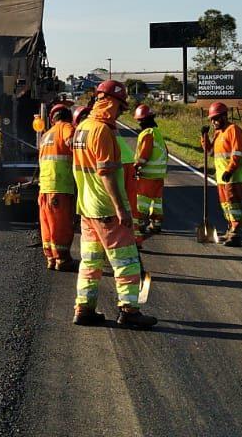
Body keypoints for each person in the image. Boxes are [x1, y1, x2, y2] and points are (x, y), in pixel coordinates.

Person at [70, 80, 158, 329]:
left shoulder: (83, 128)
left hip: (87, 208)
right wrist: (121, 209)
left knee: (90, 261)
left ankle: (84, 309)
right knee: (126, 261)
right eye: (120, 107)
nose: (121, 112)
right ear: (110, 102)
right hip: (107, 209)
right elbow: (106, 173)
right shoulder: (102, 131)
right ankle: (129, 311)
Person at [200, 101, 242, 246]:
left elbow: (237, 153)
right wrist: (204, 137)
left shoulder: (234, 130)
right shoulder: (218, 133)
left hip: (233, 176)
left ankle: (235, 233)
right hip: (221, 177)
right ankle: (230, 229)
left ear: (224, 117)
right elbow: (210, 152)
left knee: (234, 204)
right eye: (212, 119)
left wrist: (230, 170)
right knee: (226, 205)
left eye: (216, 118)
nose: (213, 122)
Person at [36, 102, 76, 271]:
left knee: (47, 225)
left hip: (44, 188)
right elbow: (71, 142)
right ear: (68, 117)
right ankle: (62, 260)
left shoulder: (46, 135)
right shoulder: (66, 127)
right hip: (60, 186)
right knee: (61, 225)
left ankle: (51, 258)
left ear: (52, 119)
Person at [131, 104, 169, 237]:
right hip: (159, 175)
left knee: (142, 201)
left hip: (147, 175)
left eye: (140, 120)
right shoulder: (157, 133)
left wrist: (135, 166)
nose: (139, 123)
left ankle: (140, 224)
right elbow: (166, 151)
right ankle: (156, 224)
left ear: (145, 120)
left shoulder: (147, 134)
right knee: (156, 201)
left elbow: (144, 155)